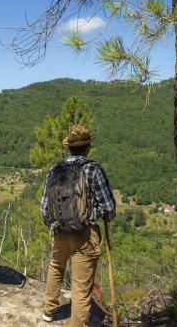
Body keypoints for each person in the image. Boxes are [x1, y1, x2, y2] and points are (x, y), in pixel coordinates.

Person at [41, 124, 116, 326]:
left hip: (59, 231)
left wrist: (60, 222)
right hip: (85, 235)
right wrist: (89, 215)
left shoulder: (54, 170)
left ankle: (48, 311)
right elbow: (109, 208)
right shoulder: (93, 169)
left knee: (56, 267)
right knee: (81, 290)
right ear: (88, 146)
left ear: (69, 147)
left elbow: (44, 209)